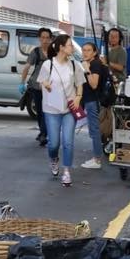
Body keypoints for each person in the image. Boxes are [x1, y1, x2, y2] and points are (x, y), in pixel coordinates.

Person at [38, 34, 85, 187]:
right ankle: (53, 159)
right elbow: (41, 81)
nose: (72, 47)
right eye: (70, 45)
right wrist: (45, 84)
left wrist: (78, 97)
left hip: (69, 110)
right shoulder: (48, 65)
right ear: (61, 47)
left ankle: (66, 171)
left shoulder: (74, 65)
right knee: (53, 144)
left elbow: (80, 84)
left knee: (68, 142)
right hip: (51, 108)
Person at [21, 27, 52, 146]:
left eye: (47, 38)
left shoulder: (54, 52)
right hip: (37, 86)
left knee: (47, 111)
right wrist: (22, 83)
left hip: (50, 87)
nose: (45, 40)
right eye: (43, 37)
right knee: (39, 111)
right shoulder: (35, 52)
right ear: (39, 38)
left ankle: (43, 134)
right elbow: (27, 67)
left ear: (51, 39)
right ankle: (43, 132)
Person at [80, 40, 108, 170]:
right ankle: (96, 158)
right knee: (93, 130)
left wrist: (86, 70)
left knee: (94, 130)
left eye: (88, 50)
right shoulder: (91, 63)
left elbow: (94, 84)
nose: (85, 52)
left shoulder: (95, 64)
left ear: (94, 52)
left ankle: (97, 159)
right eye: (83, 50)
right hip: (89, 100)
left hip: (93, 101)